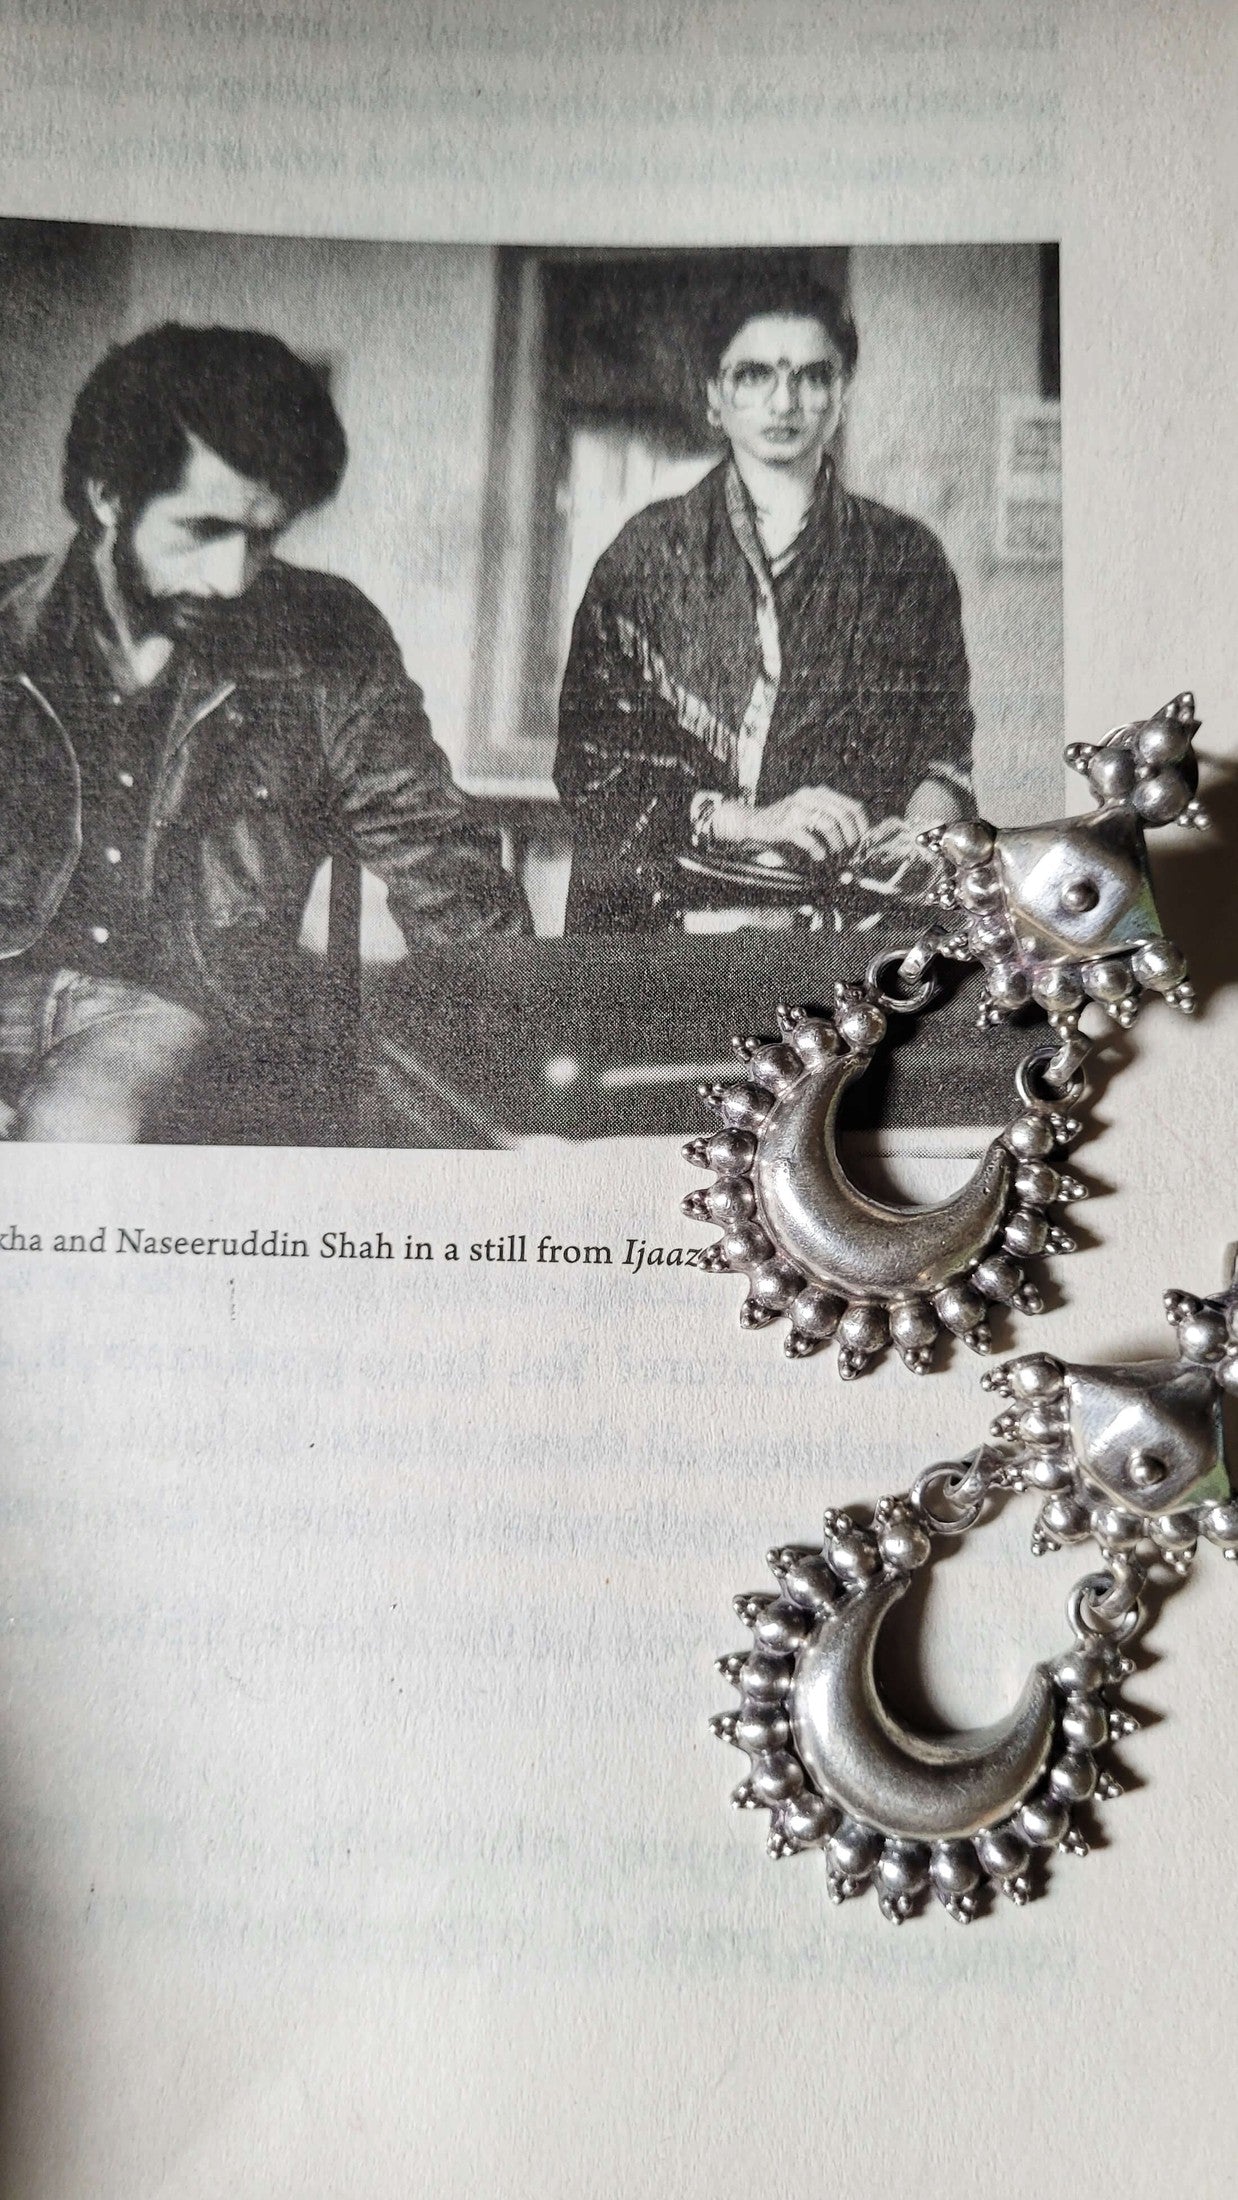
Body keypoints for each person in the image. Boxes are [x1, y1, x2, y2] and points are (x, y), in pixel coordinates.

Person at [0, 322, 528, 1141]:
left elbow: (436, 853)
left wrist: (514, 1075)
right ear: (108, 495)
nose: (231, 577)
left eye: (264, 536)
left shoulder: (327, 635)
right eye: (203, 530)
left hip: (180, 1013)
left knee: (81, 1129)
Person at [554, 264, 974, 932]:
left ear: (840, 395)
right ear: (714, 398)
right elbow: (590, 771)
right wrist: (747, 820)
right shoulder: (643, 555)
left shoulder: (907, 558)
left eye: (812, 376)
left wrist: (920, 839)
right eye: (754, 375)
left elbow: (941, 755)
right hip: (666, 929)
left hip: (850, 925)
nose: (785, 403)